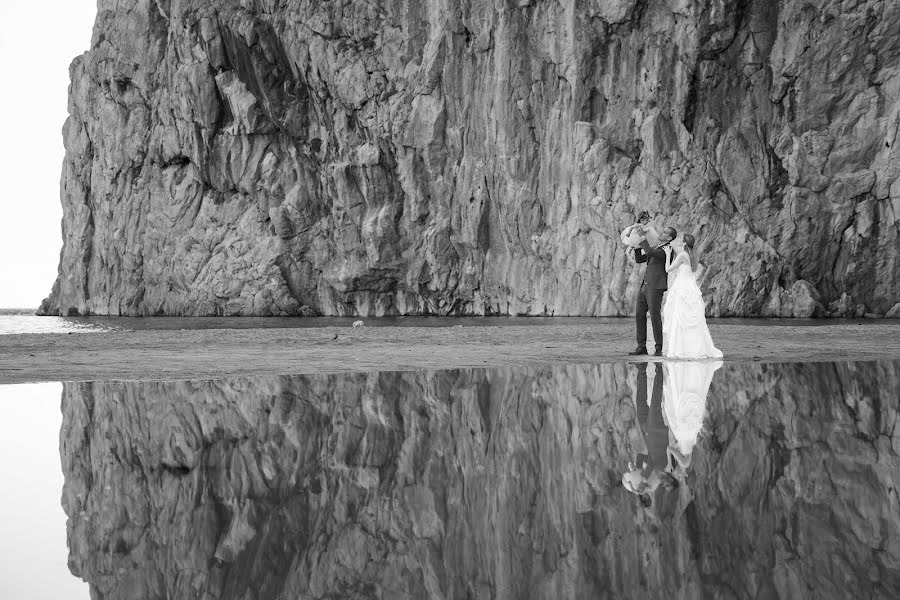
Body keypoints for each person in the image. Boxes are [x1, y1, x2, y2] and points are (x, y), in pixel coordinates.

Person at [662, 234, 723, 359]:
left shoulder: (683, 255)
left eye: (681, 240)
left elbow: (668, 269)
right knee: (689, 318)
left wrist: (668, 254)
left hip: (682, 288)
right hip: (690, 286)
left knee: (681, 317)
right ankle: (693, 347)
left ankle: (683, 349)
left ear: (684, 244)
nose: (679, 241)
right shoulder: (692, 255)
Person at [629, 226, 676, 356]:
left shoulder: (667, 250)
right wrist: (636, 246)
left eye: (665, 232)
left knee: (655, 317)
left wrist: (642, 237)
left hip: (655, 287)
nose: (662, 231)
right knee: (639, 315)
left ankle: (658, 348)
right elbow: (640, 259)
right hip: (645, 285)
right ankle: (641, 346)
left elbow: (649, 252)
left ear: (669, 238)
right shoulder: (656, 248)